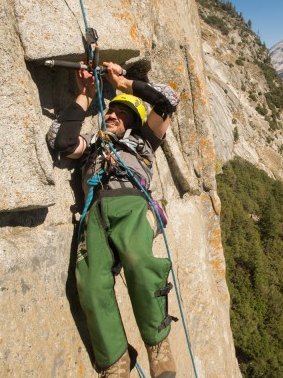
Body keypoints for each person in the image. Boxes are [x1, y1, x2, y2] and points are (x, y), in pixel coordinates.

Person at [46, 61, 179, 378]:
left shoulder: (145, 142)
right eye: (110, 112)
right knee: (90, 286)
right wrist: (85, 95)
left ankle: (158, 345)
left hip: (132, 204)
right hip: (95, 213)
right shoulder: (93, 142)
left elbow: (167, 100)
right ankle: (116, 360)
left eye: (122, 114)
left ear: (134, 122)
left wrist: (123, 85)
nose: (113, 115)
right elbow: (61, 140)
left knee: (139, 261)